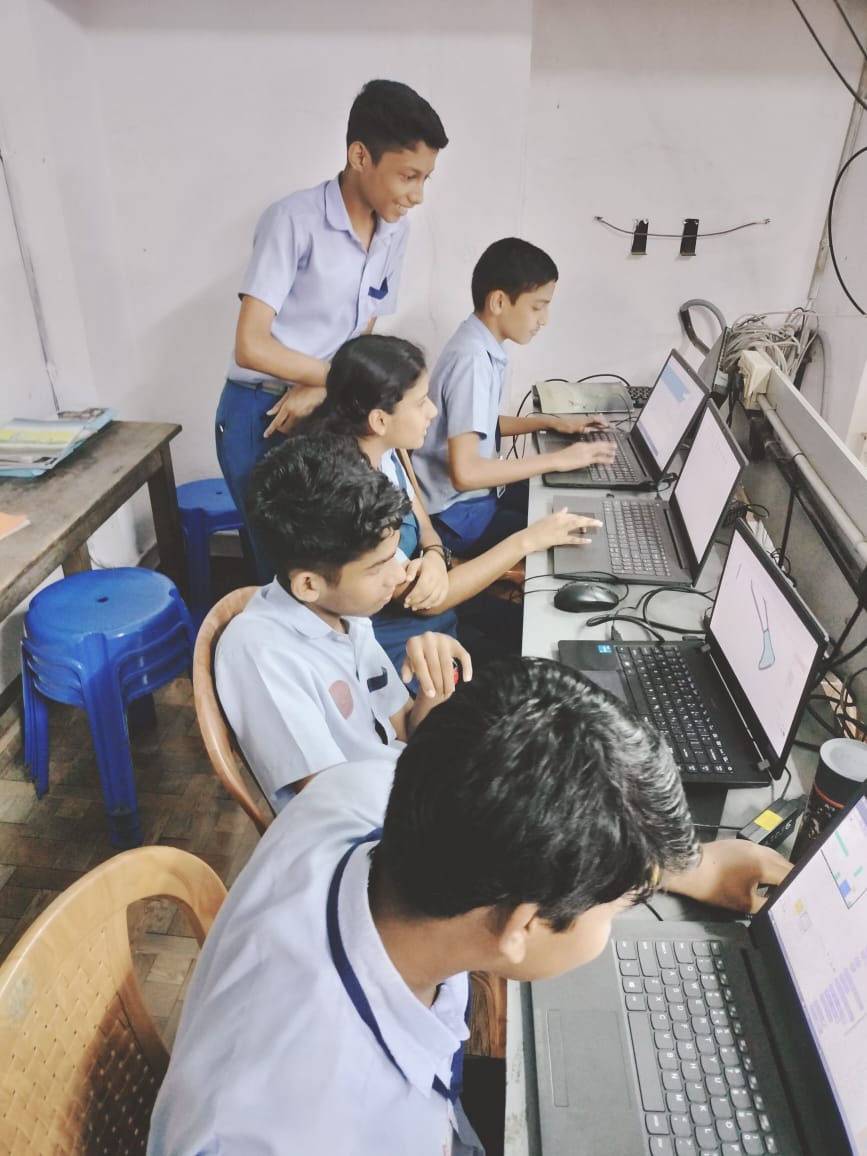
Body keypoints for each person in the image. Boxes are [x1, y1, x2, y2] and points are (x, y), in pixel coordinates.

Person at [148, 657, 791, 1156]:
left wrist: (692, 866)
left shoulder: (362, 790)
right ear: (522, 925)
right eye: (616, 909)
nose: (612, 923)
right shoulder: (292, 1128)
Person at [215, 79, 448, 579]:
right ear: (360, 156)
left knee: (341, 566)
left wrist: (327, 389)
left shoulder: (394, 230)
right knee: (287, 572)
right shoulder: (293, 221)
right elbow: (251, 344)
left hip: (327, 404)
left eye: (426, 178)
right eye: (408, 176)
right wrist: (333, 380)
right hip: (263, 412)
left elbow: (364, 328)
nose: (417, 195)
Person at [298, 333, 601, 671]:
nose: (432, 412)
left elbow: (425, 525)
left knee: (538, 630)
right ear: (379, 420)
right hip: (403, 642)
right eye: (420, 403)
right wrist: (529, 539)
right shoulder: (353, 497)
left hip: (438, 595)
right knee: (539, 665)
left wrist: (433, 554)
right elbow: (426, 603)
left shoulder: (389, 452)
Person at [214, 431, 469, 812]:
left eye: (395, 556)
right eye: (378, 567)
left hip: (410, 792)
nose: (399, 575)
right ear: (308, 584)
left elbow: (403, 729)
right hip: (375, 829)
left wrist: (435, 686)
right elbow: (329, 803)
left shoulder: (345, 614)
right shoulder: (260, 652)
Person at [412, 237, 618, 558]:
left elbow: (479, 424)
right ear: (498, 302)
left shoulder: (479, 345)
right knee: (578, 529)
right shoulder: (472, 360)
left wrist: (548, 423)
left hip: (470, 502)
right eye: (537, 306)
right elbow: (465, 473)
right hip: (455, 518)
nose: (544, 319)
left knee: (563, 500)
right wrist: (558, 459)